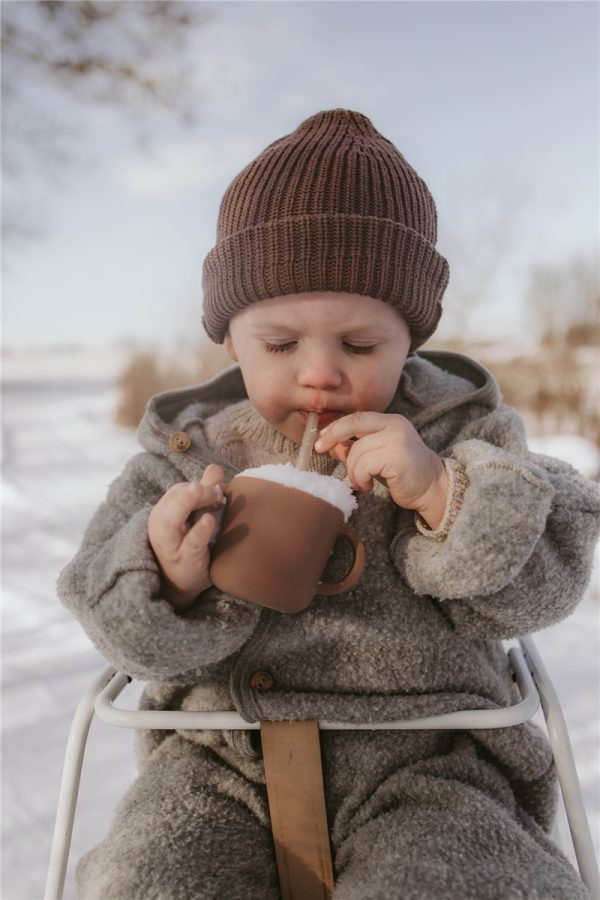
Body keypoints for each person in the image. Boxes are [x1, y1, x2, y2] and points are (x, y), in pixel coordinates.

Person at [58, 109, 599, 900]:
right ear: (229, 340)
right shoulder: (182, 455)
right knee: (154, 878)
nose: (319, 375)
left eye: (359, 346)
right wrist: (164, 576)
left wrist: (443, 494)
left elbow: (551, 570)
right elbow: (105, 613)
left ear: (408, 341)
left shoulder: (461, 433)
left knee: (470, 881)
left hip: (429, 766)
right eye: (280, 345)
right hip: (216, 767)